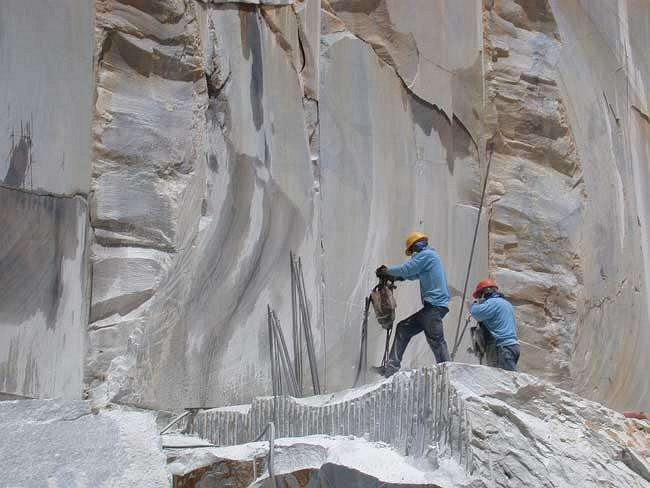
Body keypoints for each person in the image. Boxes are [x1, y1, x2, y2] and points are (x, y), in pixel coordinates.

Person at [375, 232, 451, 377]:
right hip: (431, 307)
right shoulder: (429, 258)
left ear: (416, 246)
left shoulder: (427, 255)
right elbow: (412, 274)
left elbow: (407, 269)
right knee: (403, 328)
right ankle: (390, 369)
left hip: (434, 306)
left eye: (412, 251)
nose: (413, 255)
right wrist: (397, 277)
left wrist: (387, 271)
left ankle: (448, 373)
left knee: (436, 340)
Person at [470, 278, 520, 371]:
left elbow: (476, 312)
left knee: (506, 381)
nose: (481, 298)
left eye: (480, 295)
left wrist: (474, 304)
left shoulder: (493, 303)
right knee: (509, 379)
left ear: (486, 291)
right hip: (513, 347)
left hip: (504, 348)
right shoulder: (506, 303)